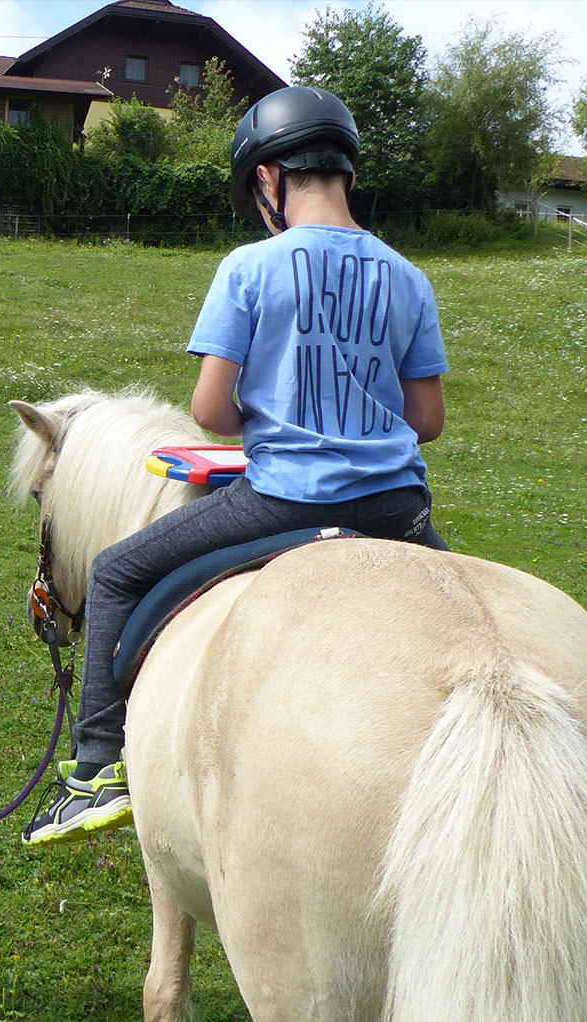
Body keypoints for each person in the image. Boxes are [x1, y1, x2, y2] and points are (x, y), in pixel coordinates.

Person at [22, 86, 450, 847]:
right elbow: (428, 421)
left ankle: (96, 769)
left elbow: (211, 410)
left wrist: (282, 416)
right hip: (397, 508)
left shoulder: (250, 268)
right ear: (346, 171)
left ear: (267, 179)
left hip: (284, 500)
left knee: (116, 571)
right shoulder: (409, 277)